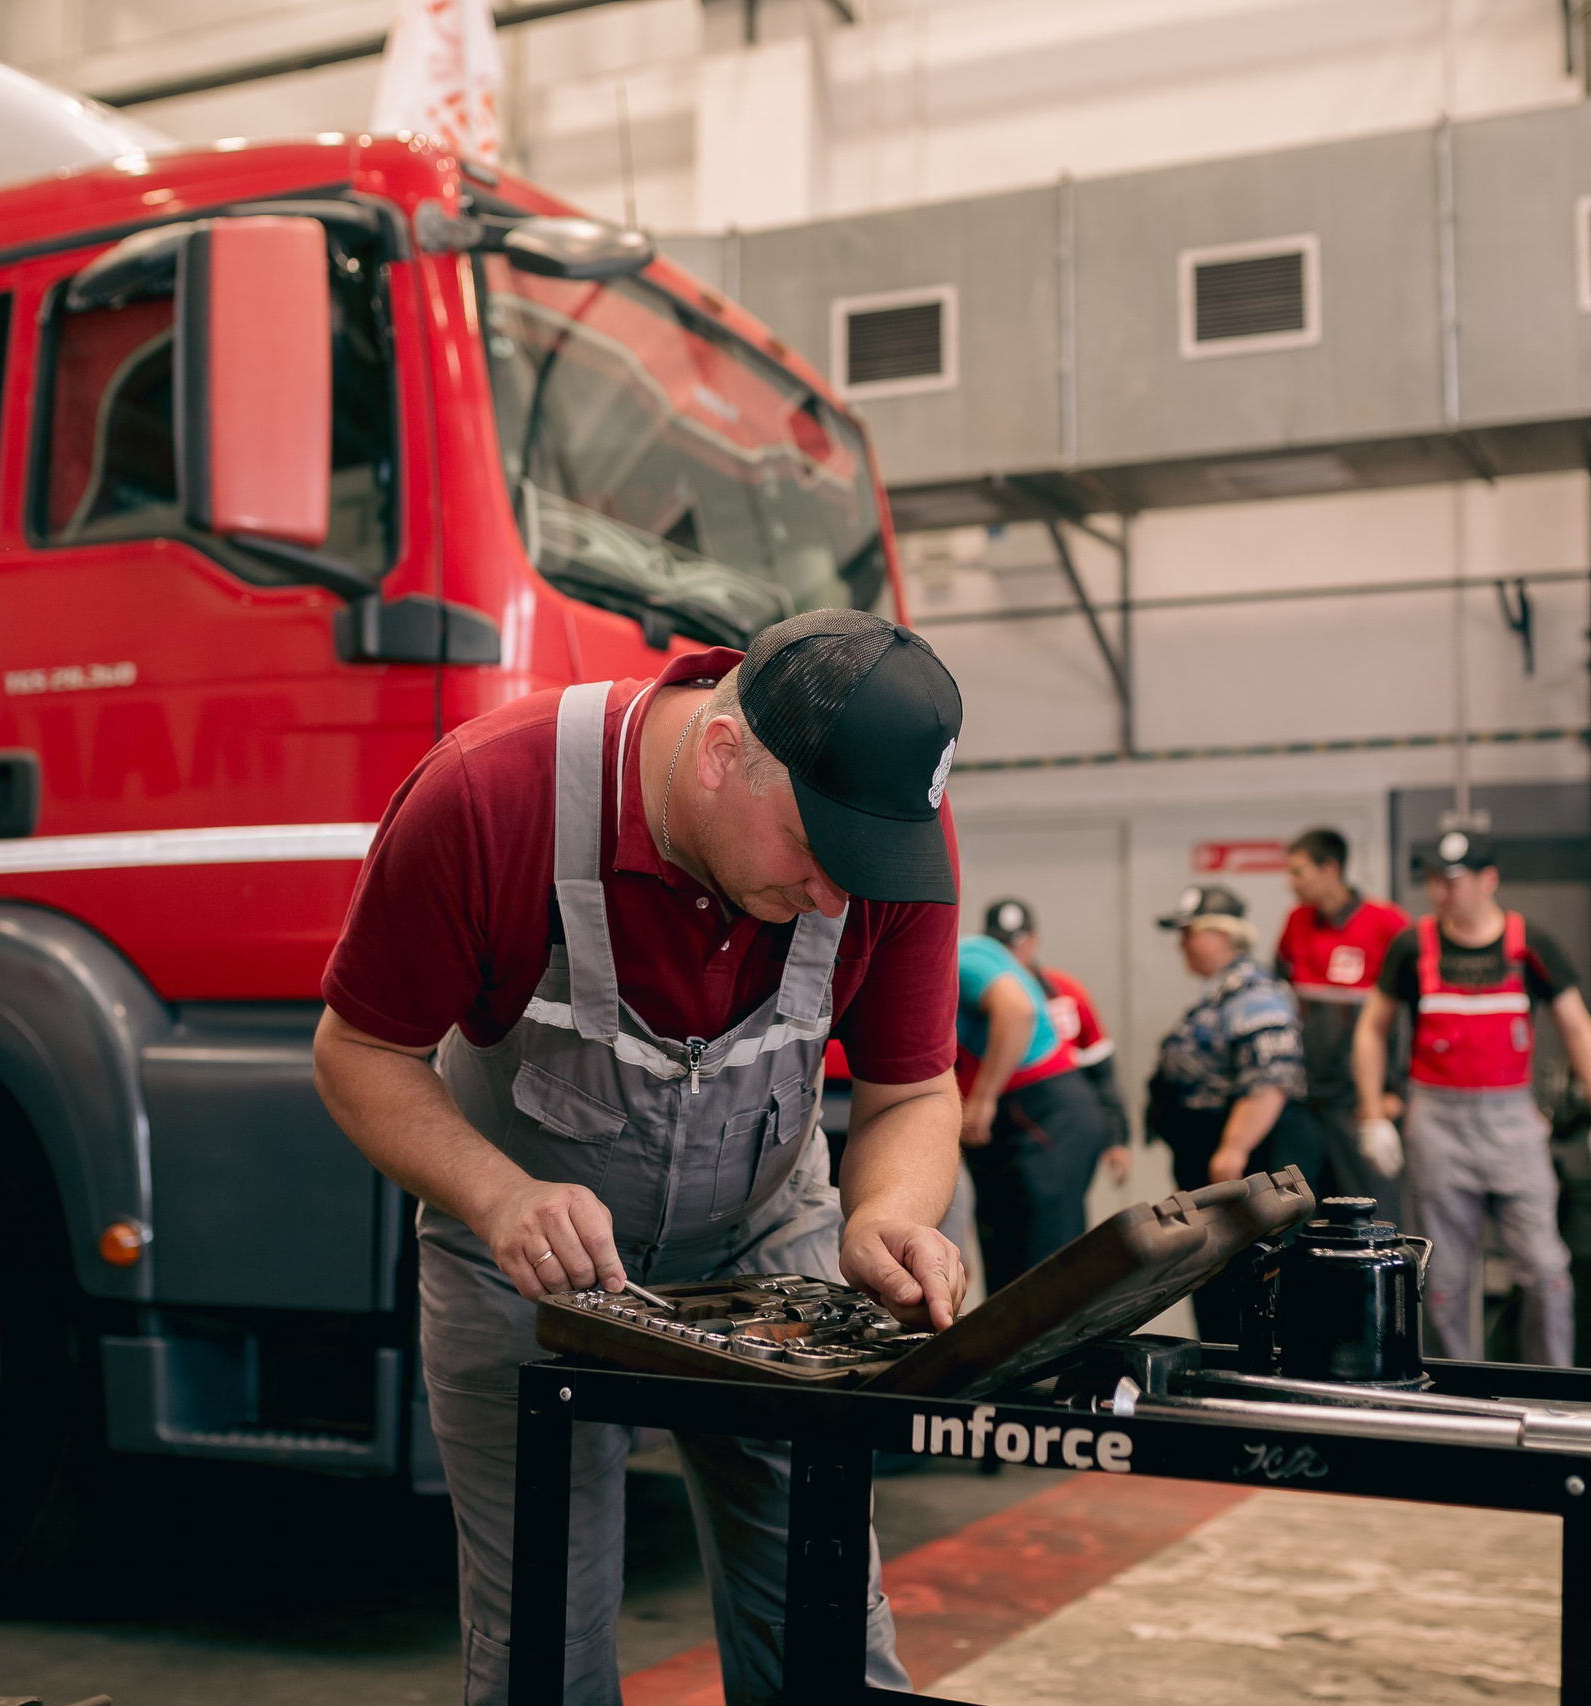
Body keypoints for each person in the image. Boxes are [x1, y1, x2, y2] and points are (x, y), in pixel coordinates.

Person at [311, 610, 968, 1705]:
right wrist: (497, 1193)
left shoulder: (885, 839)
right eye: (816, 856)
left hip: (768, 1245)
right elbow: (357, 1052)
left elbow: (910, 1088)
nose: (839, 897)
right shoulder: (487, 796)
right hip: (527, 1258)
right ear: (722, 757)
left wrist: (884, 1213)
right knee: (544, 1641)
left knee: (824, 1619)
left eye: (867, 864)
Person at [1350, 828, 1591, 1367]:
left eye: (1453, 881)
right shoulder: (1413, 947)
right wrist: (1372, 1116)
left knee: (1547, 1271)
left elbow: (1579, 1030)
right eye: (1434, 881)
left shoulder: (1531, 946)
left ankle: (1552, 1390)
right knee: (1443, 1281)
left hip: (1513, 1125)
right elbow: (1371, 1029)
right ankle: (1453, 1395)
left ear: (1489, 880)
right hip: (1437, 1124)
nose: (1441, 893)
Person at [957, 920, 1112, 1293]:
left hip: (1045, 1111)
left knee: (1043, 1270)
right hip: (1019, 1117)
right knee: (1008, 1269)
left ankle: (1058, 1354)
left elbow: (1017, 1011)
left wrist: (982, 1099)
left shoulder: (964, 955)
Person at [1146, 884, 1325, 1194]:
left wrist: (1234, 1149)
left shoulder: (1254, 993)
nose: (1181, 945)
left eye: (1189, 934)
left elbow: (1271, 1080)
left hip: (1256, 1158)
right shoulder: (1224, 989)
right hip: (1213, 1146)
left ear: (1223, 936)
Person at [1273, 828, 1411, 1208]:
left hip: (1360, 1102)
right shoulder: (1295, 922)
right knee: (1296, 1214)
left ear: (1330, 868)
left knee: (1369, 1213)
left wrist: (1396, 1092)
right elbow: (1278, 998)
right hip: (1303, 1100)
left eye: (1298, 872)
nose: (1290, 883)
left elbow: (1416, 1016)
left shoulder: (1387, 924)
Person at [980, 896, 1133, 1181]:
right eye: (1000, 946)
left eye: (1017, 943)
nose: (1010, 954)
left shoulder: (1066, 993)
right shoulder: (973, 1000)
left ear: (1033, 941)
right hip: (991, 1131)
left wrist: (1116, 1139)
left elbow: (1102, 1072)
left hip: (1055, 1124)